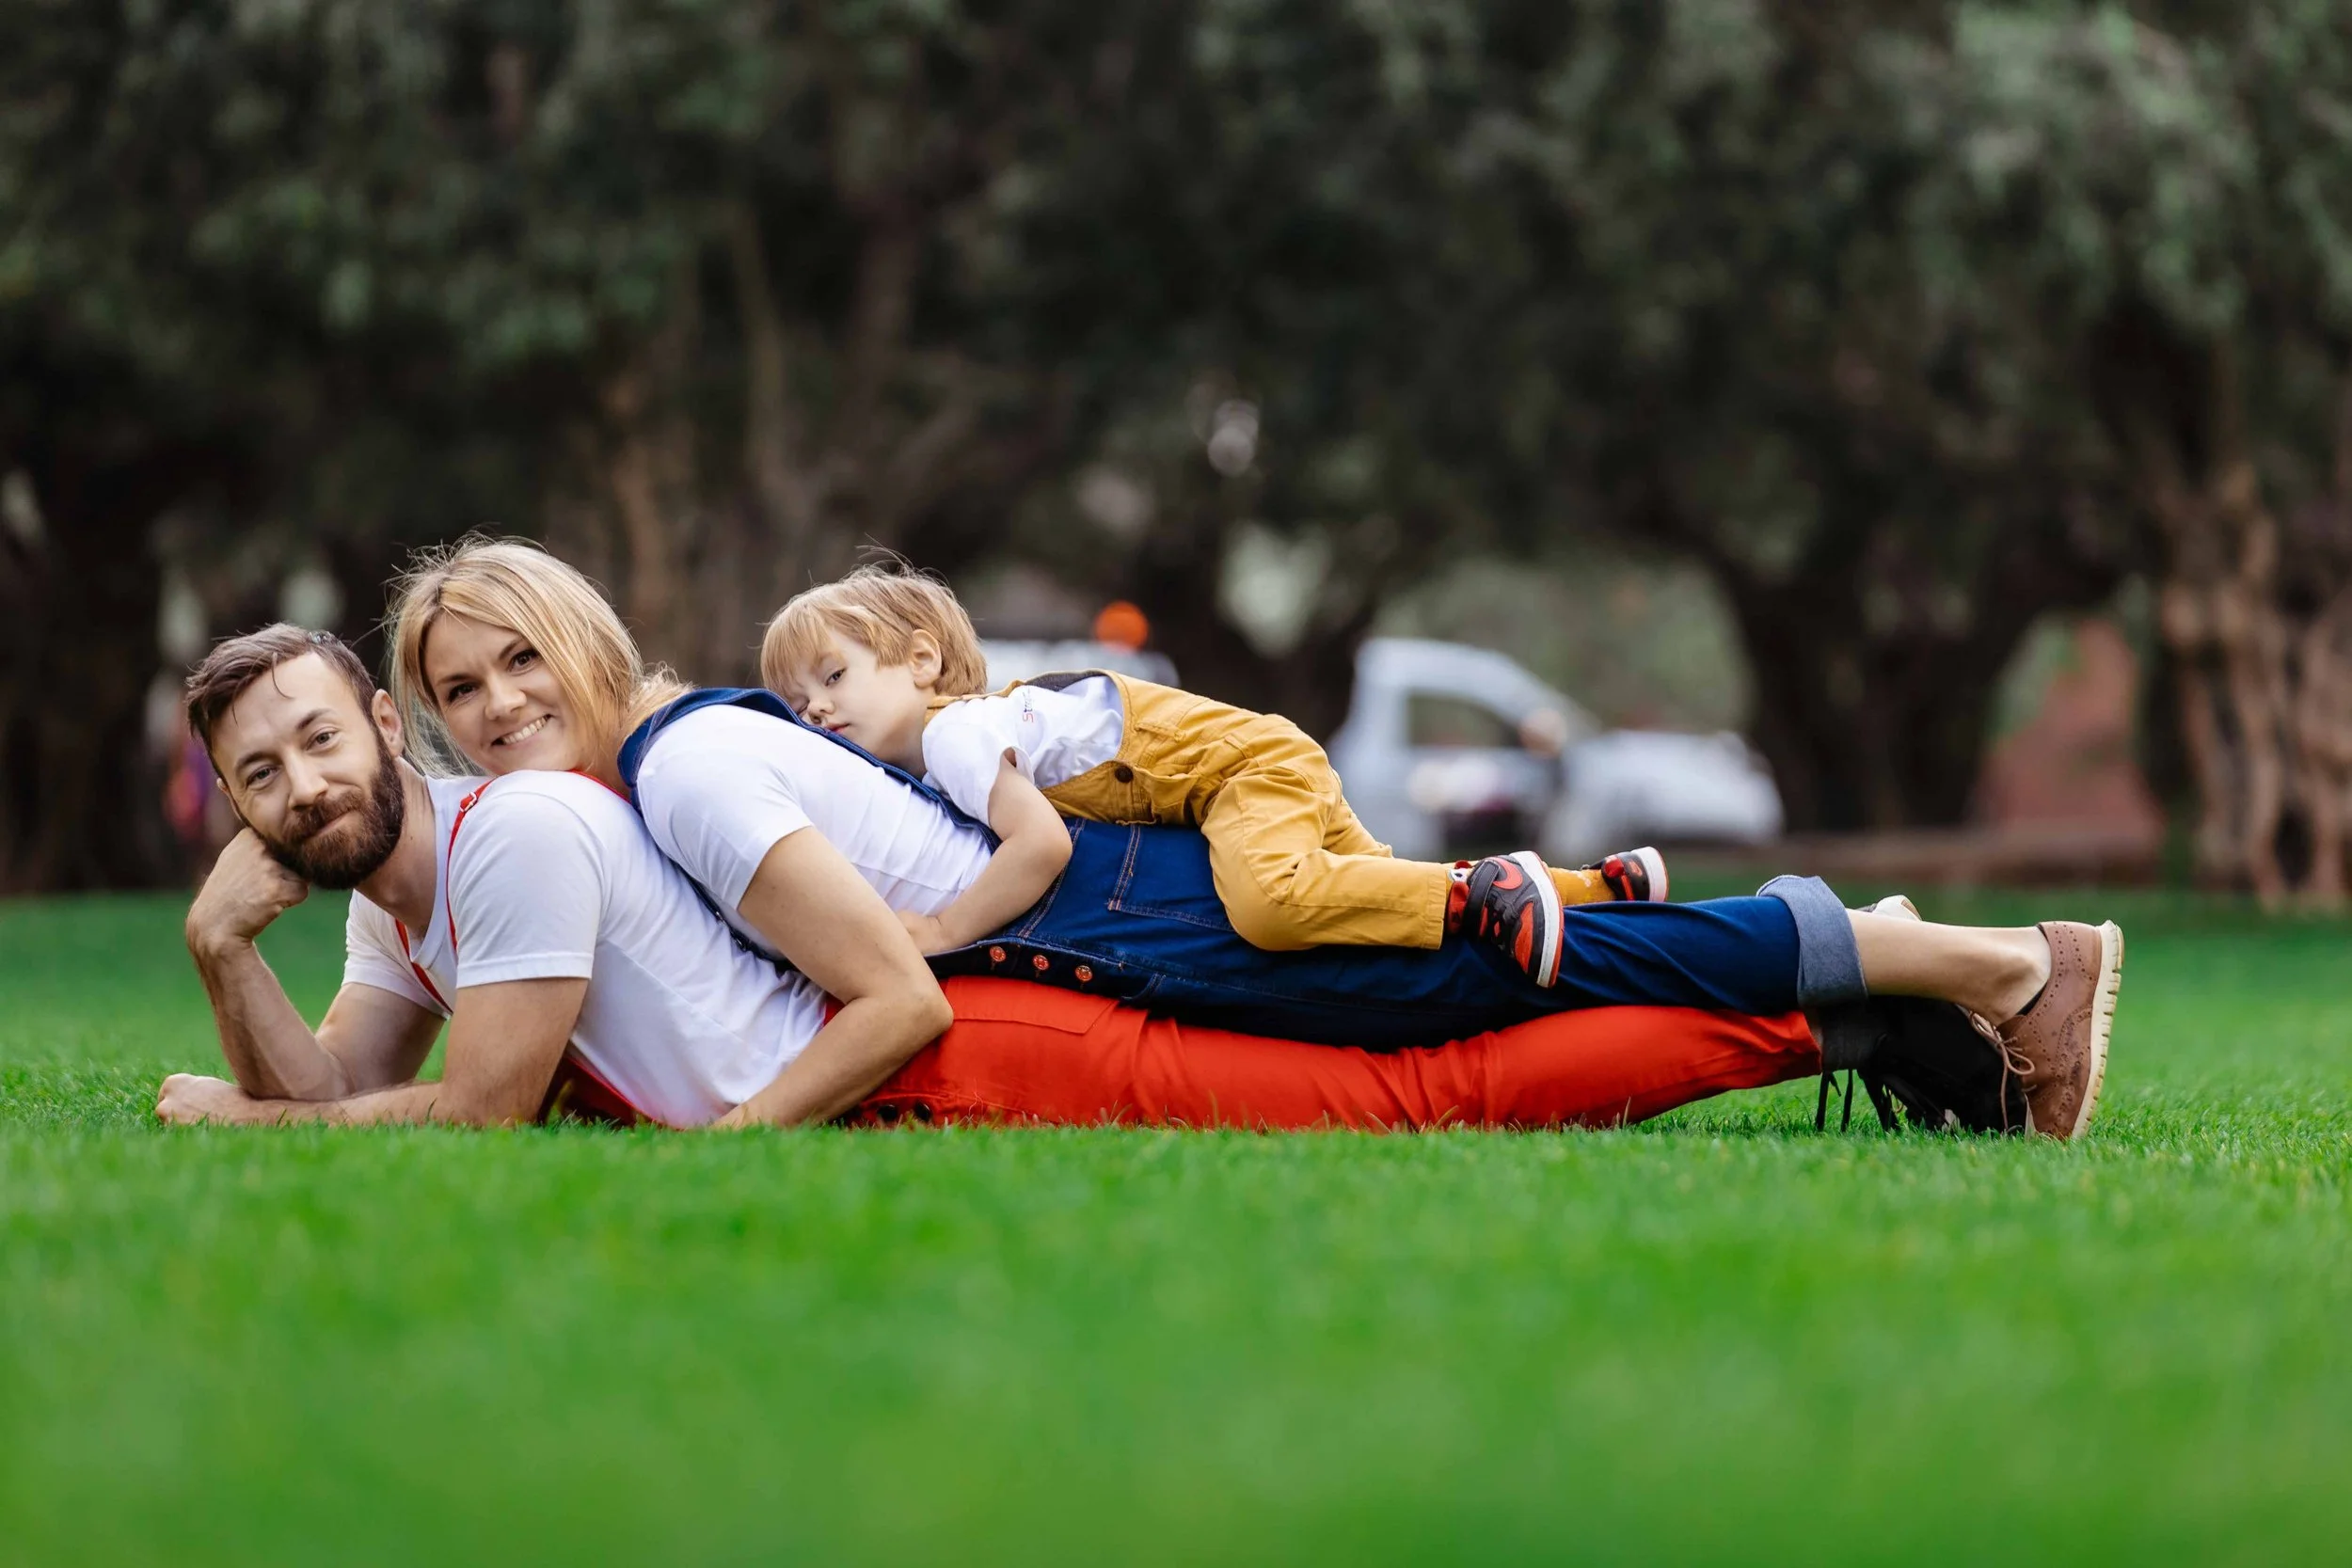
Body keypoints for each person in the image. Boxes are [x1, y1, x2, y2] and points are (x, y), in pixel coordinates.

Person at [381, 538, 2117, 1138]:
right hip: (1137, 906)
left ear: (591, 637)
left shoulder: (681, 770)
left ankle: (1982, 958)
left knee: (1495, 990)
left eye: (520, 653)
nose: (498, 699)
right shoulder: (674, 761)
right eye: (461, 684)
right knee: (1490, 991)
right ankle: (1895, 948)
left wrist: (768, 1104)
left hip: (1150, 915)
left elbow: (898, 970)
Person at [159, 621, 1832, 1133]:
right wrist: (231, 960)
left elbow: (473, 1113)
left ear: (380, 726)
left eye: (318, 739)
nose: (300, 785)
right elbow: (350, 1108)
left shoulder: (519, 827)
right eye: (260, 772)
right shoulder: (420, 889)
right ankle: (1838, 981)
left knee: (1430, 1073)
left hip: (979, 1038)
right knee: (1428, 1057)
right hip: (963, 1033)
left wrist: (241, 1124)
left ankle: (1829, 987)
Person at [761, 562, 1667, 988]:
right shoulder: (972, 736)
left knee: (1272, 906)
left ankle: (1481, 887)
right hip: (1258, 757)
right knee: (1377, 906)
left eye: (834, 678)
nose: (820, 713)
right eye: (801, 706)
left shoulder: (960, 737)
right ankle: (1599, 893)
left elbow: (1036, 846)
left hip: (1238, 773)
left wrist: (946, 927)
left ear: (922, 663)